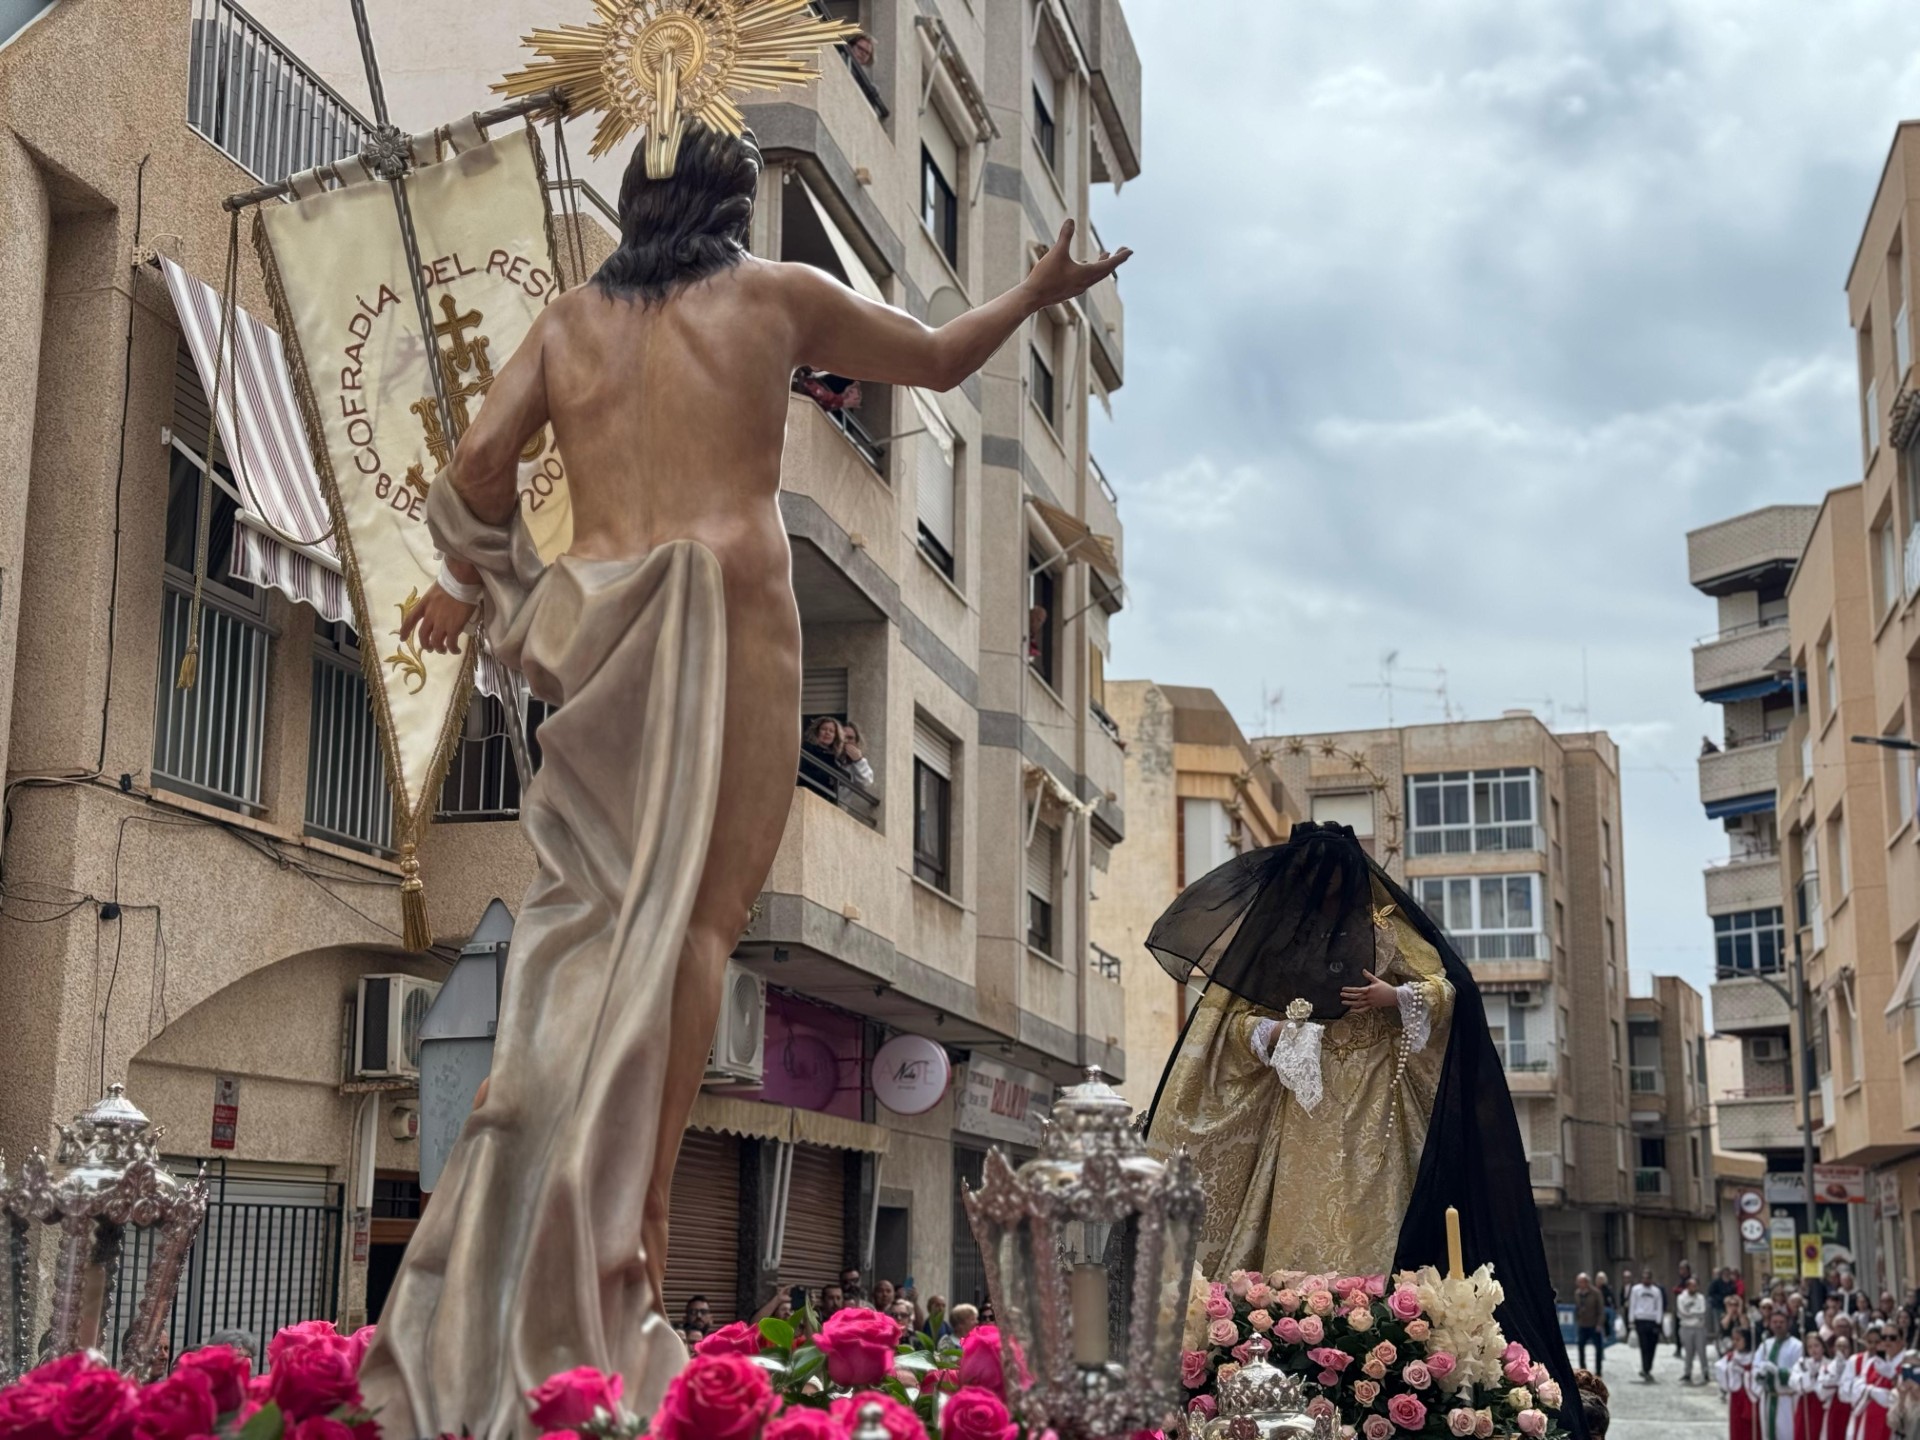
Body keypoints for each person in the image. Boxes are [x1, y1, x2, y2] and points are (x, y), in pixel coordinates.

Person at [364, 97, 1127, 1433]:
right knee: (693, 936)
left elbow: (477, 473)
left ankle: (535, 1272)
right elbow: (941, 363)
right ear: (732, 200)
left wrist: (475, 589)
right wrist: (1043, 289)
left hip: (598, 637)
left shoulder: (564, 323)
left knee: (578, 937)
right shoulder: (774, 295)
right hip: (725, 619)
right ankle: (622, 1271)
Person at [1141, 821, 1585, 1436]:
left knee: (1380, 1214)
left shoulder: (1384, 927)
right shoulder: (1275, 944)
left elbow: (1448, 989)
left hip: (1378, 1103)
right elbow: (1234, 1022)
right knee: (1296, 1216)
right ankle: (1290, 1333)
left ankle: (1373, 1336)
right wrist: (1272, 1036)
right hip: (1305, 1110)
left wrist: (1392, 998)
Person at [1753, 1307, 1804, 1438]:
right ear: (1770, 1324)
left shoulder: (1797, 1346)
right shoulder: (1765, 1345)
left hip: (1786, 1398)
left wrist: (1778, 1372)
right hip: (1768, 1397)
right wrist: (1760, 1373)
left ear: (1788, 1324)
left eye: (1781, 1322)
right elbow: (1756, 1367)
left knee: (1787, 1433)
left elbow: (1798, 1372)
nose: (1778, 1325)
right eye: (1775, 1322)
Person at [1629, 1269, 1667, 1382]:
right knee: (1644, 1345)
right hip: (1640, 1319)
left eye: (1648, 1278)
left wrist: (1659, 1321)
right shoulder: (1636, 1289)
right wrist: (1631, 1320)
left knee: (1652, 1346)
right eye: (1644, 1278)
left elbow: (1659, 1306)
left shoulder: (1656, 1291)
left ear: (1651, 1279)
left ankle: (1648, 1367)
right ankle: (1645, 1368)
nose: (1646, 1280)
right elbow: (1632, 1304)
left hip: (1652, 1320)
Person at [1792, 1332, 1830, 1439]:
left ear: (1823, 1347)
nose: (1814, 1350)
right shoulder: (1802, 1364)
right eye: (1810, 1347)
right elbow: (1794, 1382)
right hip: (1805, 1404)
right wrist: (1809, 1375)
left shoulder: (1830, 1364)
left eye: (1816, 1345)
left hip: (1822, 1405)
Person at [1720, 1328, 1757, 1440]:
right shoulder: (1730, 1357)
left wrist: (1746, 1374)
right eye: (1733, 1339)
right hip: (1736, 1398)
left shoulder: (1755, 1357)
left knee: (1752, 1429)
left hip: (1751, 1397)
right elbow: (1723, 1379)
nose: (1735, 1342)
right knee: (1737, 1428)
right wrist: (1730, 1369)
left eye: (1738, 1339)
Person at [1679, 1275, 1712, 1384]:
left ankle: (1705, 1372)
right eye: (1692, 1286)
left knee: (1702, 1351)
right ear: (1687, 1287)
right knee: (1689, 1352)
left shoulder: (1701, 1298)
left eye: (1695, 1286)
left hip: (1699, 1328)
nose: (1694, 1288)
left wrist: (1691, 1313)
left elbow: (1702, 1311)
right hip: (1686, 1327)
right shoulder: (1681, 1298)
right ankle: (1687, 1373)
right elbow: (1683, 1313)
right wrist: (1694, 1314)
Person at [1575, 1273, 1608, 1375]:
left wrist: (1599, 1324)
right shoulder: (1577, 1293)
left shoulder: (1596, 1293)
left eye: (1581, 1282)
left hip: (1594, 1325)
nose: (1580, 1284)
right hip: (1583, 1324)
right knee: (1580, 1346)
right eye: (1578, 1282)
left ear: (1587, 1282)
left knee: (1598, 1348)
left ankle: (1598, 1371)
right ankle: (1583, 1370)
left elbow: (1601, 1310)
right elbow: (1577, 1308)